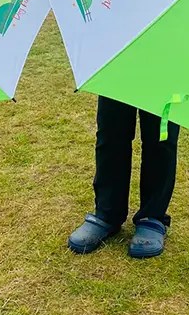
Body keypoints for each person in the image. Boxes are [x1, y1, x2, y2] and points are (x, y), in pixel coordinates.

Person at [67, 96, 180, 259]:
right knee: (111, 130)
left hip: (165, 81)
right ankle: (108, 213)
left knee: (161, 137)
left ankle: (153, 215)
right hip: (115, 78)